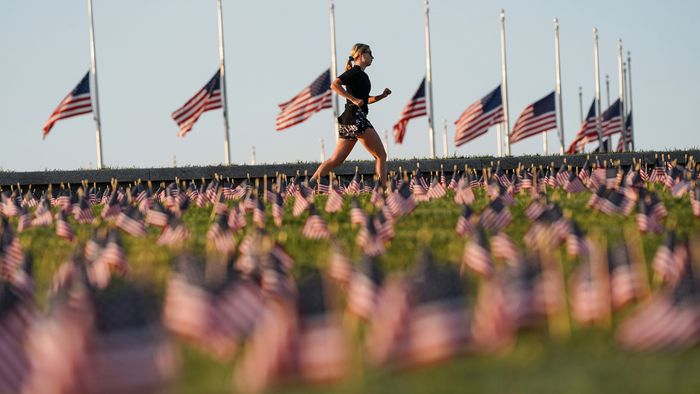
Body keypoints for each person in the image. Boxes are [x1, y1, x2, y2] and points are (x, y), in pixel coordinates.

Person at [310, 43, 391, 187]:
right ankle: (383, 190)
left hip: (349, 119)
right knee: (381, 155)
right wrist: (353, 99)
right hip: (356, 118)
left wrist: (381, 96)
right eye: (370, 53)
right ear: (360, 54)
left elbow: (364, 100)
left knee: (336, 160)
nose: (372, 56)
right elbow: (335, 84)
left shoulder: (362, 75)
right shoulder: (355, 72)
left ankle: (309, 185)